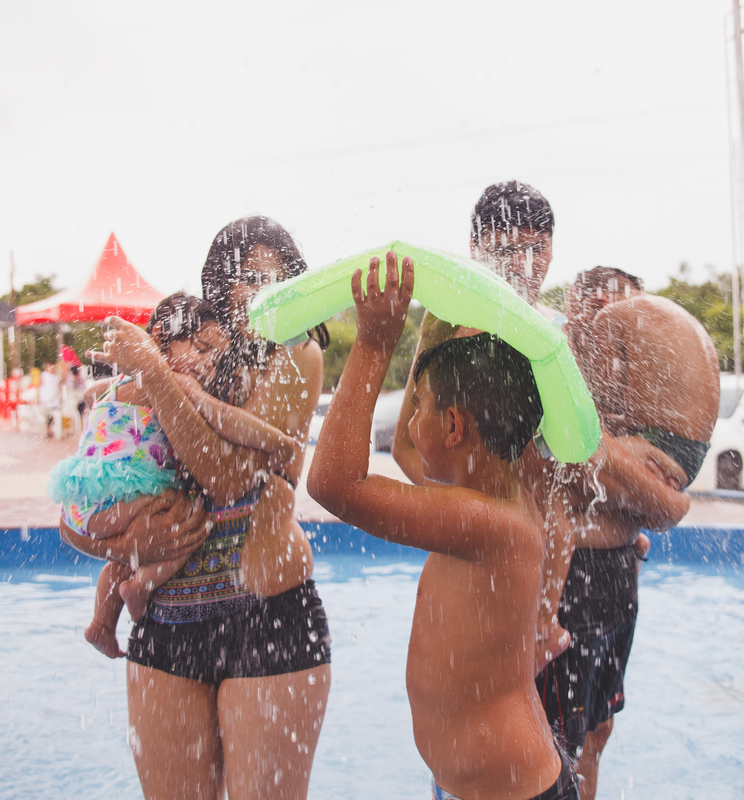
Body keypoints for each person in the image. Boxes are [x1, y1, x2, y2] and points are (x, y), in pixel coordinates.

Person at [59, 216, 330, 800]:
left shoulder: (296, 353)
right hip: (167, 619)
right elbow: (78, 509)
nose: (259, 293)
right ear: (219, 285)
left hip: (267, 617)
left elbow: (228, 480)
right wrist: (120, 542)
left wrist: (158, 375)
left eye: (274, 280)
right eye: (247, 279)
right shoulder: (194, 352)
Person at [308, 252, 578, 800]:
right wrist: (435, 321)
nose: (409, 422)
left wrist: (375, 342)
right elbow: (407, 452)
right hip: (480, 785)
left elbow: (332, 484)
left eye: (419, 406)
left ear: (454, 426)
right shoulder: (490, 500)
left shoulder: (485, 524)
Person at [533, 269, 720, 800]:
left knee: (578, 738)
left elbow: (583, 429)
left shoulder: (602, 333)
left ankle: (545, 622)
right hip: (610, 582)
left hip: (590, 595)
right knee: (584, 736)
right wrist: (661, 506)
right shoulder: (646, 329)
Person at [49, 293, 301, 658]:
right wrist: (277, 441)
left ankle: (102, 623)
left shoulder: (114, 386)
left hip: (81, 502)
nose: (207, 365)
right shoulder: (175, 382)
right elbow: (224, 419)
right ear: (157, 340)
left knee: (121, 559)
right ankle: (141, 586)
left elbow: (90, 395)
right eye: (201, 349)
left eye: (215, 359)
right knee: (190, 517)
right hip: (126, 491)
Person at [392, 180, 557, 485]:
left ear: (552, 249)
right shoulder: (448, 325)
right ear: (474, 248)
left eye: (535, 249)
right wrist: (472, 508)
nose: (522, 265)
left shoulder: (564, 332)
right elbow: (406, 448)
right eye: (504, 250)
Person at [39, 357, 62, 437]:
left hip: (55, 400)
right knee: (47, 416)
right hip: (46, 400)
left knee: (54, 416)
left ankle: (53, 429)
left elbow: (59, 388)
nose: (52, 369)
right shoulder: (43, 375)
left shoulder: (56, 377)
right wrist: (38, 397)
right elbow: (38, 386)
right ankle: (48, 430)